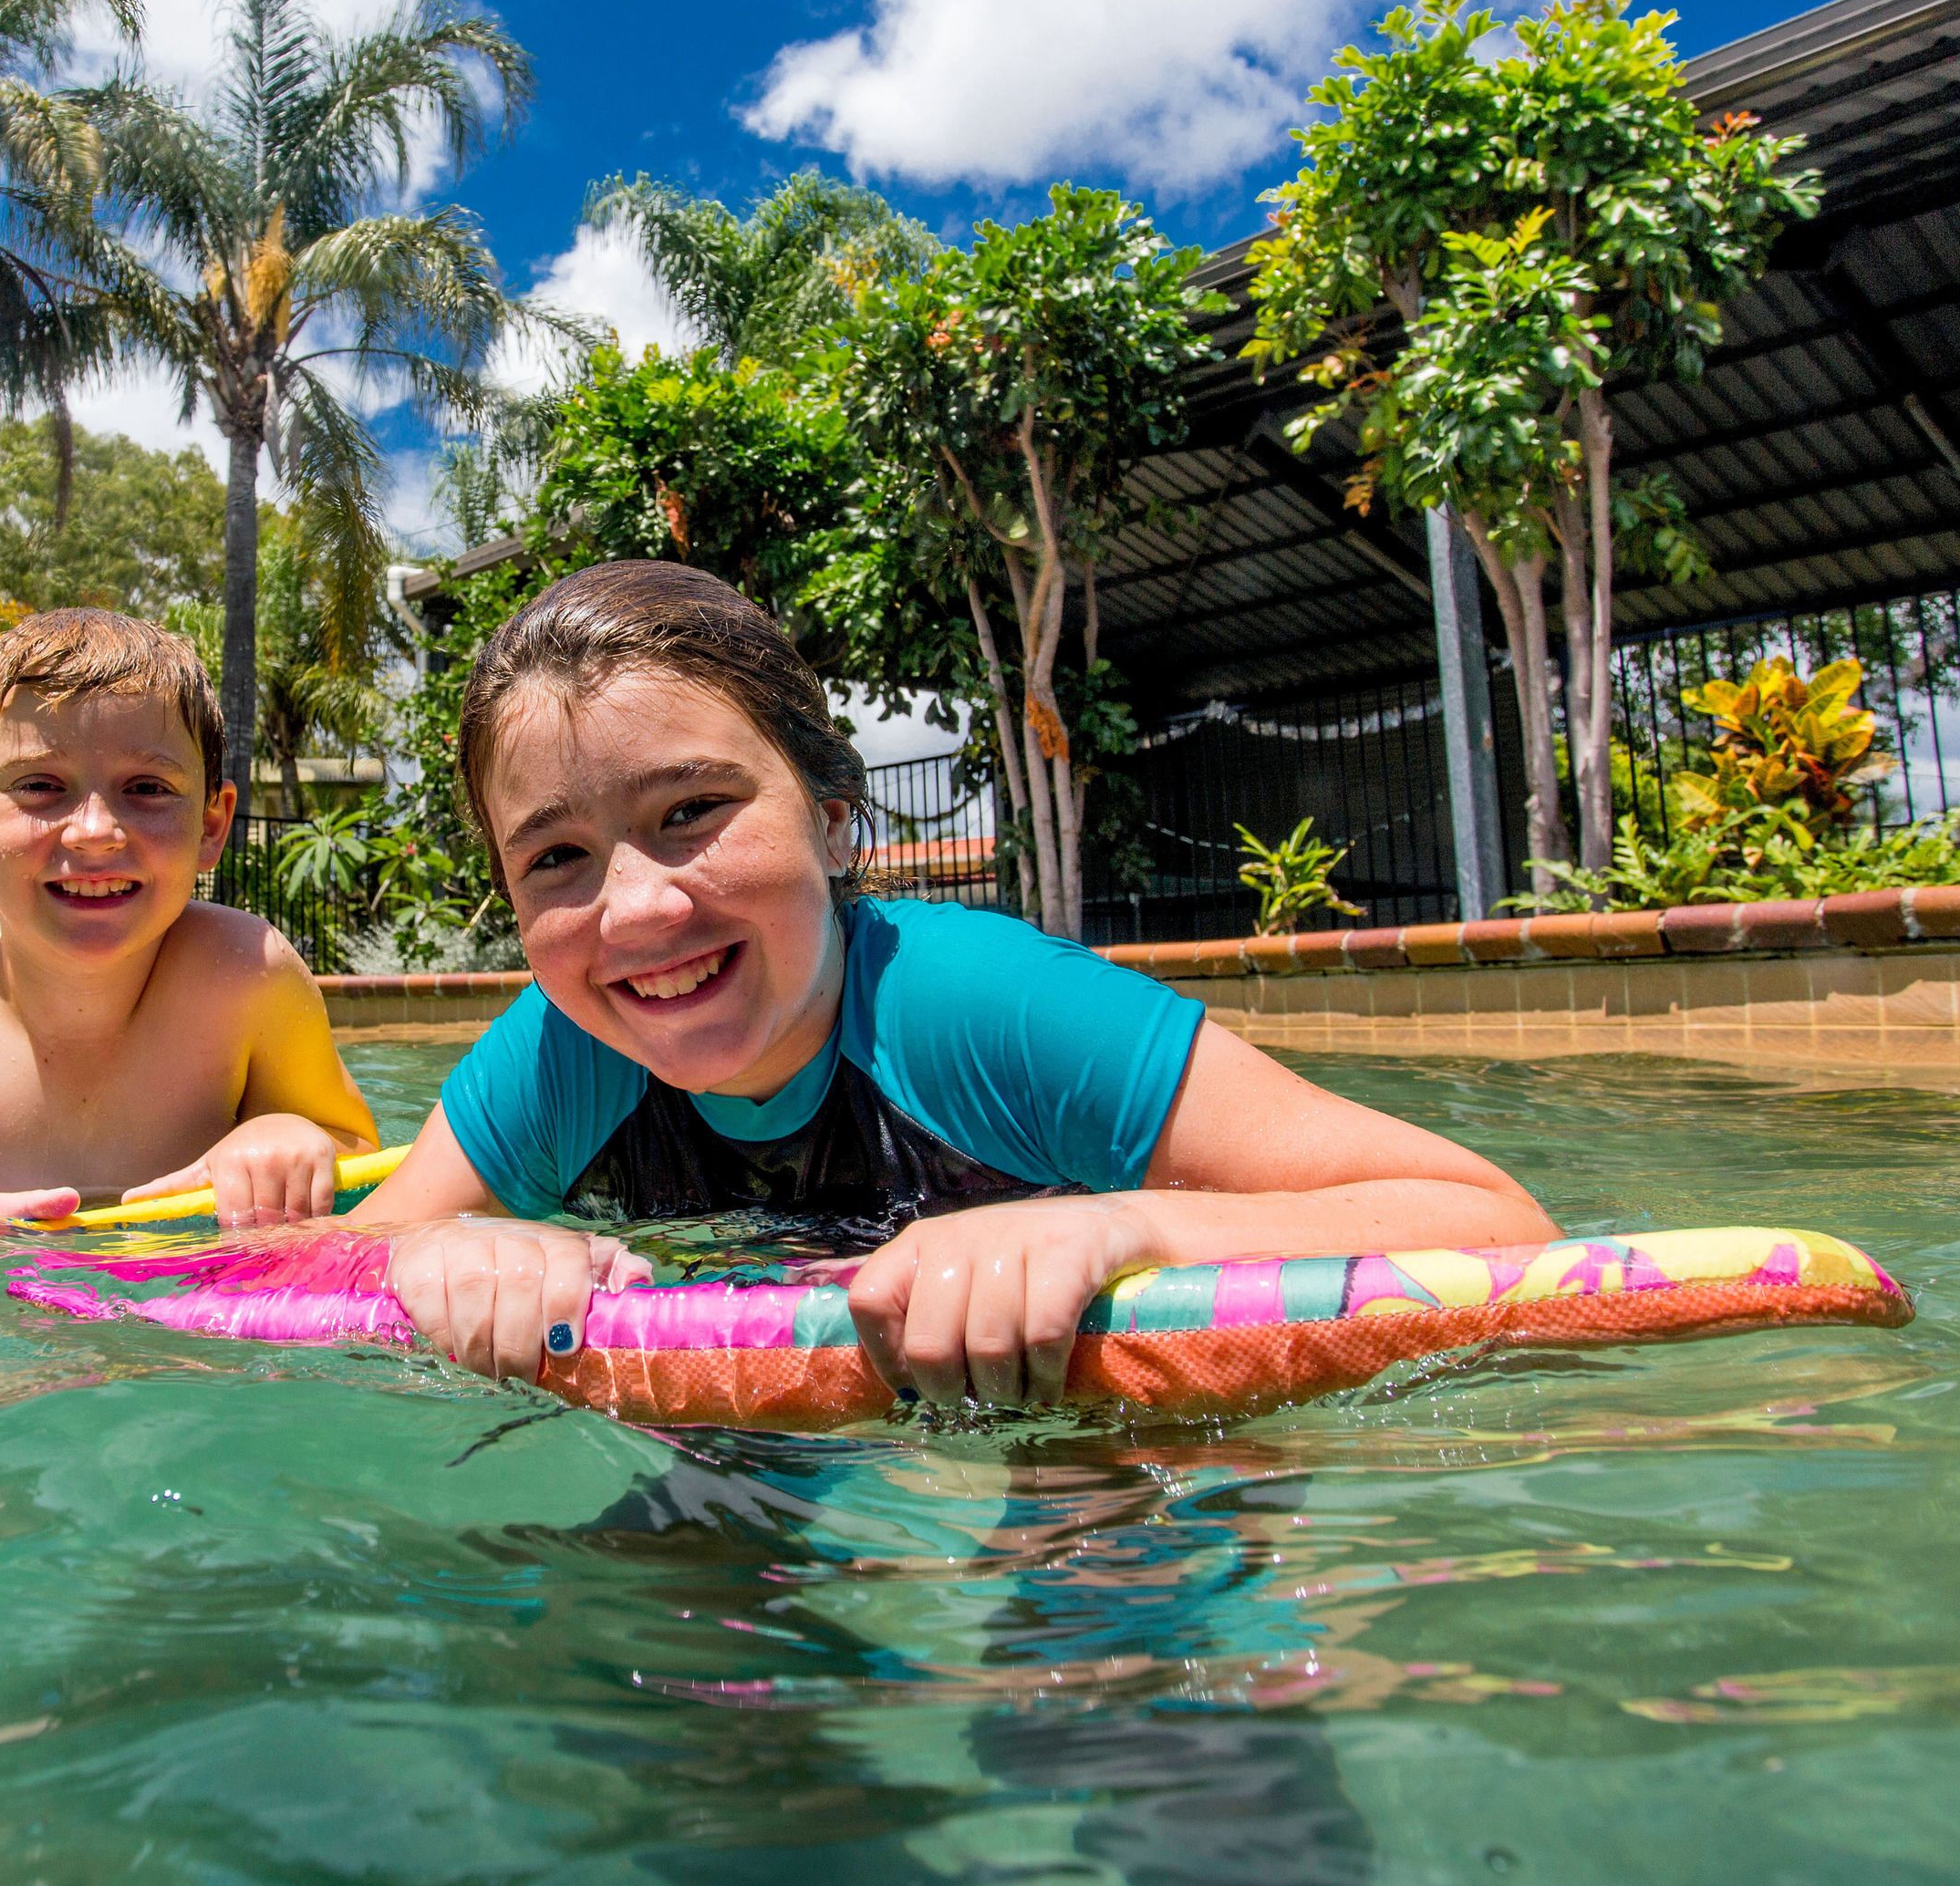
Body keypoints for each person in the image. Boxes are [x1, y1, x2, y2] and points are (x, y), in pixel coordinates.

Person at [346, 560, 1555, 1408]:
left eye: (694, 810)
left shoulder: (979, 1008)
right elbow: (312, 1266)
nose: (636, 909)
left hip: (1092, 1415)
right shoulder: (563, 1049)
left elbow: (1495, 1223)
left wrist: (1119, 1228)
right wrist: (441, 1256)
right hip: (782, 1419)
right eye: (556, 858)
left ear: (833, 823)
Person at [0, 608, 376, 1248]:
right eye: (40, 786)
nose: (95, 832)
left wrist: (289, 1137)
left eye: (147, 788)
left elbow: (364, 1160)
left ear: (212, 826)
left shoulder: (247, 974)